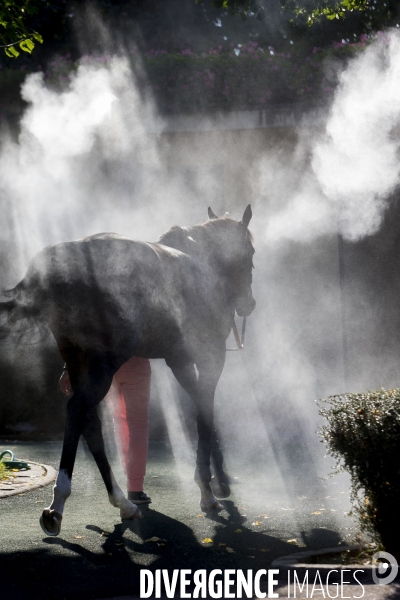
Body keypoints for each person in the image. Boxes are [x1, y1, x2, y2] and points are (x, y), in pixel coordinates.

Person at [59, 356, 152, 504]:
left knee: (120, 422)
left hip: (109, 366)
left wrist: (68, 367)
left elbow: (84, 333)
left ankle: (127, 480)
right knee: (138, 426)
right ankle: (135, 488)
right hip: (136, 363)